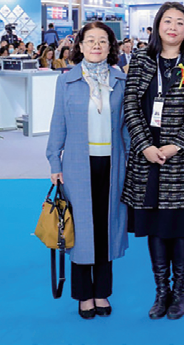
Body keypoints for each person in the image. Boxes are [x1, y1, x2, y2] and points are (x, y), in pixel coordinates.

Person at [121, 2, 184, 321]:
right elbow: (130, 105)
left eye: (180, 22)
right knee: (157, 226)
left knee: (182, 226)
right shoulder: (141, 59)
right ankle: (161, 292)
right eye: (167, 21)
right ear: (158, 26)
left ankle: (180, 290)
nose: (173, 27)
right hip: (148, 156)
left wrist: (176, 145)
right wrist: (145, 145)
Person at [45, 22, 129, 319]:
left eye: (102, 40)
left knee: (107, 226)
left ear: (110, 46)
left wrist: (133, 161)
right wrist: (54, 161)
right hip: (78, 163)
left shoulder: (121, 80)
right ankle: (83, 294)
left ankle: (102, 291)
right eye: (90, 40)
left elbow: (126, 127)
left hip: (113, 163)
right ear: (80, 46)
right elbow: (58, 123)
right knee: (80, 228)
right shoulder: (67, 81)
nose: (96, 45)